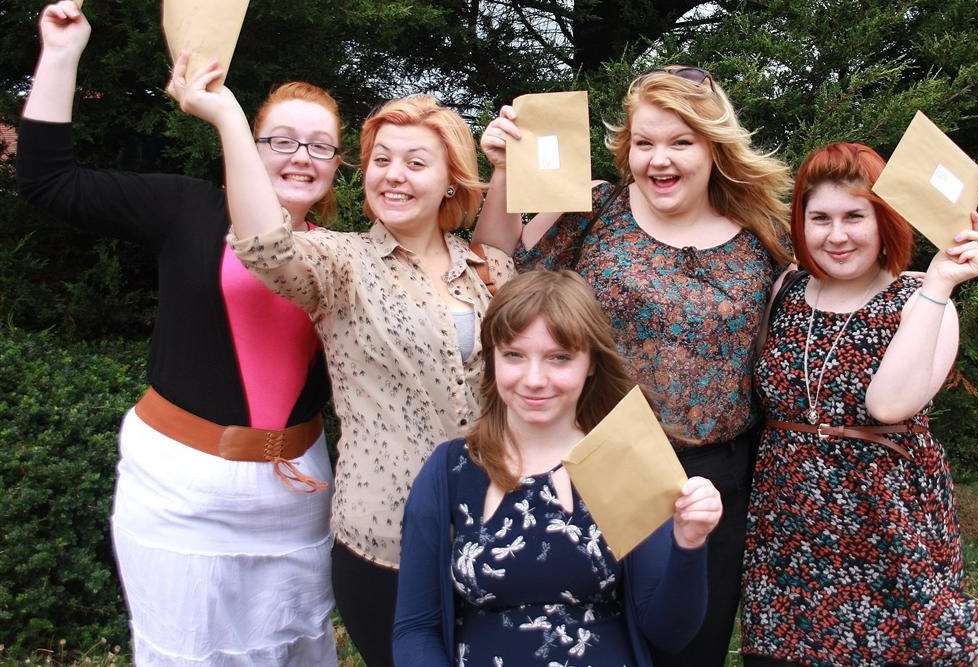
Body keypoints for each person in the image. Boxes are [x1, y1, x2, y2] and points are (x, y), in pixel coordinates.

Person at [17, 3, 341, 664]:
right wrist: (60, 54)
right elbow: (50, 182)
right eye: (281, 139)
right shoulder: (186, 207)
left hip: (299, 502)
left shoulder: (346, 256)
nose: (300, 157)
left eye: (320, 145)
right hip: (182, 497)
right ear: (249, 144)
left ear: (337, 163)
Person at [167, 59, 517, 665]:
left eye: (414, 162)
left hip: (492, 533)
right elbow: (265, 246)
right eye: (380, 160)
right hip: (385, 545)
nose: (392, 176)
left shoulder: (488, 267)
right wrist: (226, 116)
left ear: (451, 183)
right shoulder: (342, 263)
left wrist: (506, 168)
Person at [473, 66, 791, 664]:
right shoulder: (596, 209)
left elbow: (827, 296)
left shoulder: (764, 236)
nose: (659, 160)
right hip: (597, 460)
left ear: (714, 147)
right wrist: (503, 173)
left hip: (714, 474)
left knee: (690, 639)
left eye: (680, 142)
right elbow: (498, 266)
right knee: (592, 639)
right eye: (644, 143)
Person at [742, 142, 978, 666]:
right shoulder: (786, 289)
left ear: (884, 219)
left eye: (854, 216)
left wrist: (941, 282)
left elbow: (889, 404)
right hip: (788, 533)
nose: (836, 236)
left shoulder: (922, 299)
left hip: (885, 531)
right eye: (821, 218)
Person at [392, 269, 722, 666]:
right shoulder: (451, 470)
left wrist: (688, 543)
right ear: (492, 359)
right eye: (514, 355)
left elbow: (669, 633)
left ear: (591, 364)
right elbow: (415, 630)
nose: (534, 379)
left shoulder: (623, 460)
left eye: (559, 358)